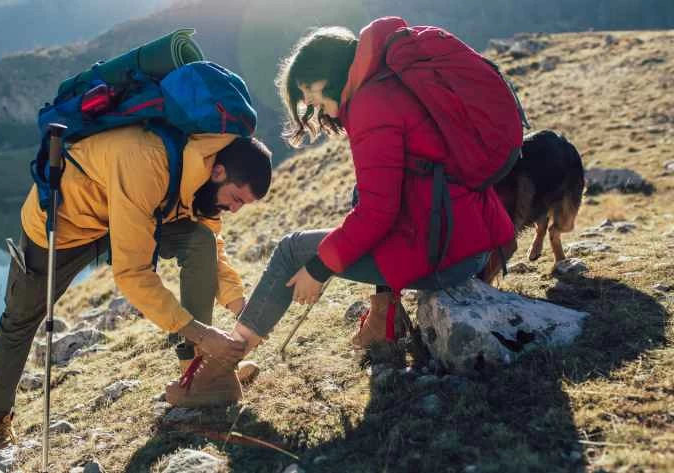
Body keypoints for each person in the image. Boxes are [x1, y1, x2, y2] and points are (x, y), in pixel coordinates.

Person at [165, 17, 516, 407]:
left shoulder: (370, 103)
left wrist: (319, 268)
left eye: (310, 92)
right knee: (356, 194)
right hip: (464, 237)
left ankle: (217, 373)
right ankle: (385, 321)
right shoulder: (388, 82)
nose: (312, 105)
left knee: (292, 251)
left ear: (329, 73)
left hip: (444, 252)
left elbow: (378, 214)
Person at [0, 125, 272, 449]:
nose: (234, 210)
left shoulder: (200, 177)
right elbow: (132, 274)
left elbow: (211, 245)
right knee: (20, 319)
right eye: (235, 198)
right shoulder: (146, 161)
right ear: (219, 171)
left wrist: (240, 307)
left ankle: (197, 375)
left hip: (127, 212)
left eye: (242, 205)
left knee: (199, 241)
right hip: (66, 223)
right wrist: (202, 332)